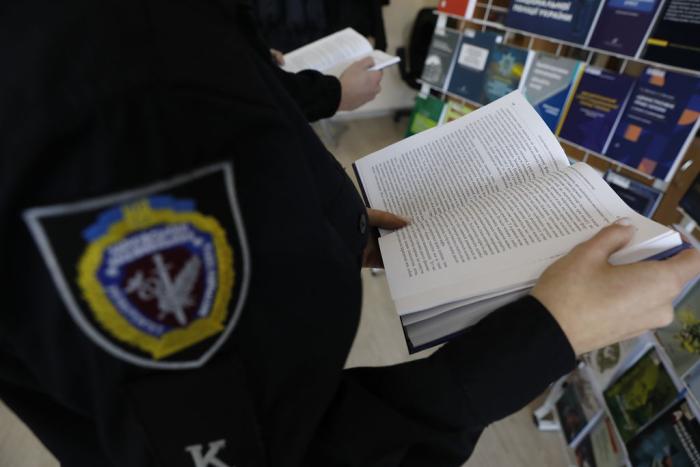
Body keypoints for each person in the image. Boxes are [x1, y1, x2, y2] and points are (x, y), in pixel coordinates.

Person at [1, 1, 699, 467]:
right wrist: (552, 332)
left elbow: (241, 94)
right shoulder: (116, 104)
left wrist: (325, 221)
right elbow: (263, 451)